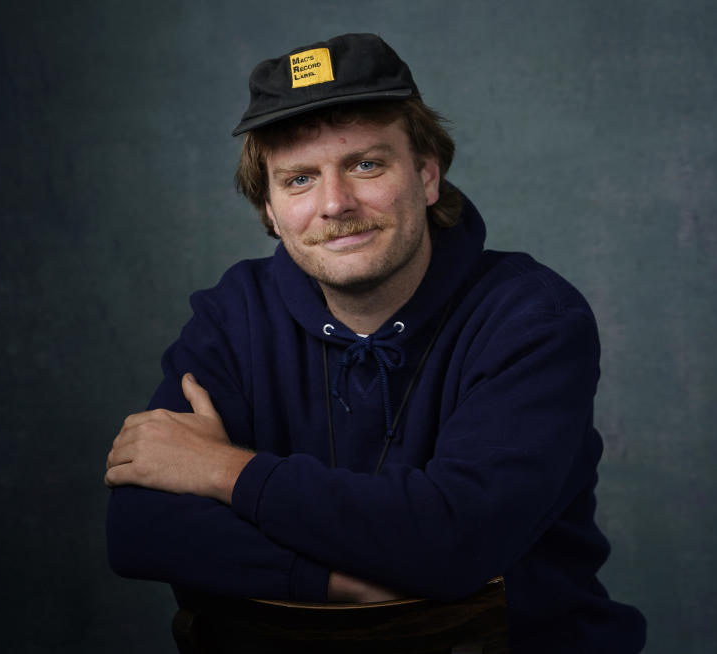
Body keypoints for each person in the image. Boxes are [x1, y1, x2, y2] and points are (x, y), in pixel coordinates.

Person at [105, 32, 646, 652]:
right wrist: (338, 583)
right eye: (299, 179)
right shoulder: (233, 316)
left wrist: (222, 470)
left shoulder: (533, 318)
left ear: (427, 174)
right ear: (272, 213)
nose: (335, 203)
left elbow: (455, 539)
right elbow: (140, 529)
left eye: (366, 164)